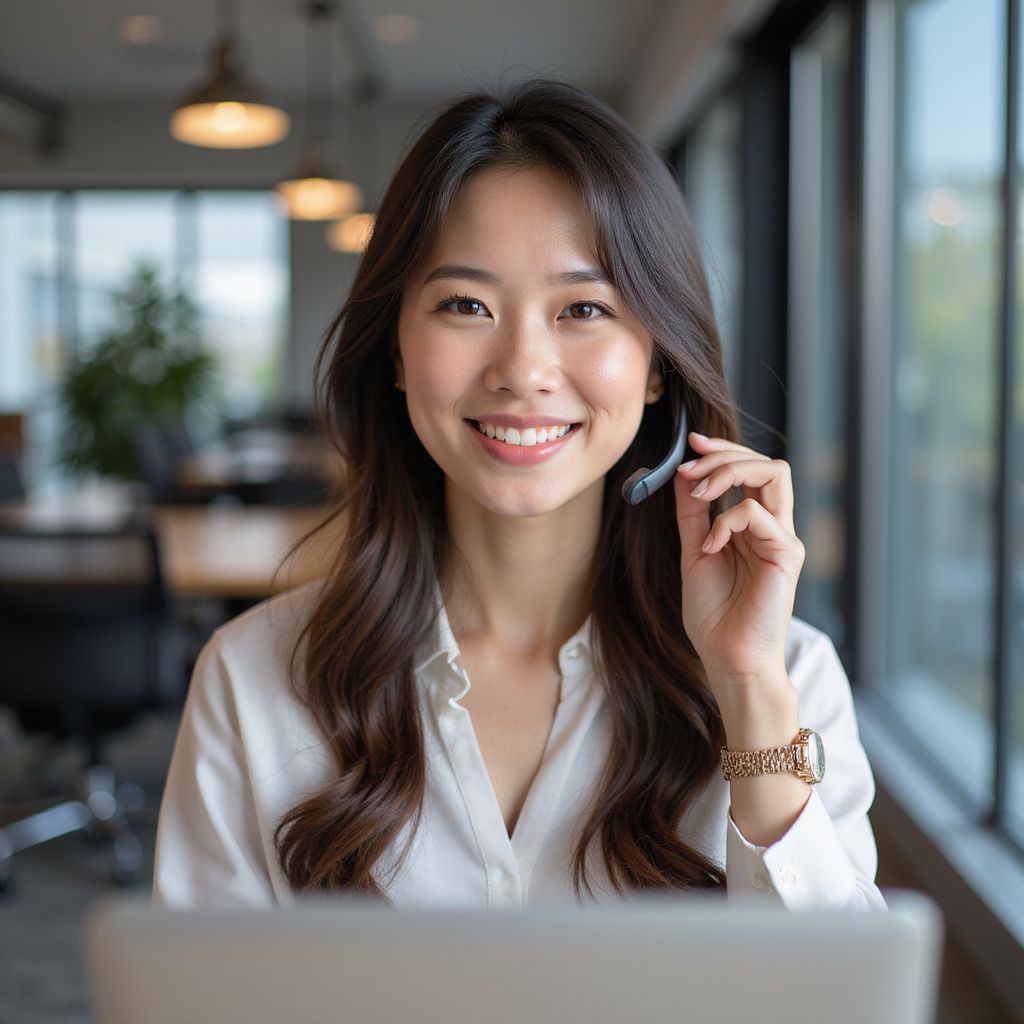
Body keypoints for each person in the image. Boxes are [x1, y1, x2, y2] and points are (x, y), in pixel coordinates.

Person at [153, 79, 884, 911]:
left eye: (583, 307)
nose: (522, 371)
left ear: (655, 367)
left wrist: (748, 693)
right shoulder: (251, 678)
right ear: (394, 352)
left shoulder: (787, 672)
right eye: (465, 305)